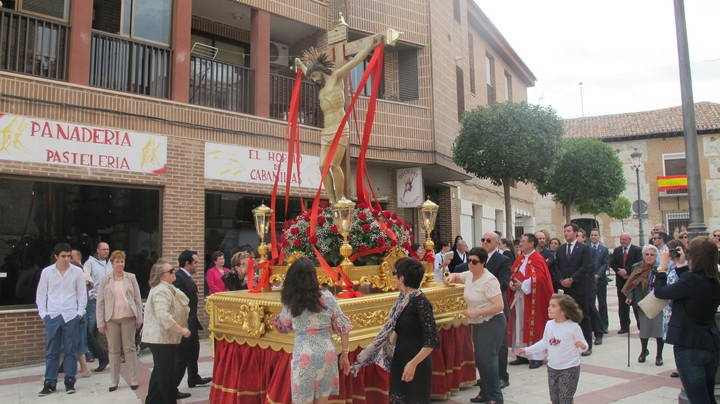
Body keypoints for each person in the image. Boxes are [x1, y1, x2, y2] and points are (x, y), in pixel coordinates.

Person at [294, 34, 384, 205]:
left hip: (340, 128)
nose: (313, 80)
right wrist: (300, 64)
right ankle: (334, 201)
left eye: (314, 76)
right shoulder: (320, 88)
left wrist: (371, 46)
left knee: (334, 165)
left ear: (320, 71)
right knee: (322, 166)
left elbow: (355, 61)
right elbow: (308, 72)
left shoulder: (336, 78)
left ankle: (341, 198)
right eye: (312, 77)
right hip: (326, 131)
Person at [275, 257, 353, 404]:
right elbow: (344, 327)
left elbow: (283, 326)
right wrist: (345, 353)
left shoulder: (291, 301)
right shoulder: (328, 298)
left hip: (304, 355)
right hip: (327, 353)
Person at [654, 237, 720, 403]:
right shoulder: (713, 279)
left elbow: (661, 292)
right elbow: (689, 286)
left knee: (697, 398)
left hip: (689, 346)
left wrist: (662, 267)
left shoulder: (691, 281)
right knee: (708, 395)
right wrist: (681, 265)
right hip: (710, 343)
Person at [444, 248, 505, 404]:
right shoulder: (470, 275)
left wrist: (477, 312)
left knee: (488, 359)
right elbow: (457, 276)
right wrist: (450, 277)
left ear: (483, 263)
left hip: (492, 322)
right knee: (480, 359)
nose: (471, 264)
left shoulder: (489, 280)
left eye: (475, 262)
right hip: (477, 323)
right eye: (469, 261)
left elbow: (499, 306)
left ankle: (495, 397)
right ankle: (484, 393)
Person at [36, 243, 87, 396]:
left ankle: (69, 381)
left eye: (68, 256)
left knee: (70, 349)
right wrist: (43, 313)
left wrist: (80, 312)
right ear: (56, 256)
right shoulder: (47, 272)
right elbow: (41, 293)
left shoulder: (77, 272)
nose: (66, 259)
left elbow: (81, 293)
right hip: (52, 315)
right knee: (52, 350)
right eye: (63, 256)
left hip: (71, 315)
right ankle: (50, 382)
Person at [519, 294, 588, 404]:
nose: (549, 308)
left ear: (564, 310)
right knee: (555, 399)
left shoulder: (573, 327)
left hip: (570, 368)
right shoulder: (549, 325)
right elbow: (544, 342)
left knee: (565, 398)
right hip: (552, 368)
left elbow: (584, 344)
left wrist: (583, 346)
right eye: (549, 305)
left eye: (553, 306)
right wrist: (527, 350)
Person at [143, 259, 192, 404]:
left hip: (165, 339)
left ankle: (152, 401)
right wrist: (182, 330)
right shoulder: (160, 290)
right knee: (166, 377)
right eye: (171, 271)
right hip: (161, 340)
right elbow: (163, 316)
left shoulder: (168, 288)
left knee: (160, 374)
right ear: (161, 275)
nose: (174, 272)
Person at [96, 250, 143, 392]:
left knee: (130, 348)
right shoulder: (105, 280)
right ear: (112, 263)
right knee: (114, 350)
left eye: (122, 261)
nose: (120, 264)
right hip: (111, 319)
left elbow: (137, 298)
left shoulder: (131, 277)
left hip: (128, 317)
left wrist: (139, 317)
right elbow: (100, 302)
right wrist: (100, 322)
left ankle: (134, 379)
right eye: (117, 261)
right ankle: (114, 381)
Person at [507, 234, 554, 370]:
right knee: (519, 325)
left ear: (531, 244)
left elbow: (540, 279)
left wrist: (522, 284)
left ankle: (536, 357)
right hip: (519, 298)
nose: (520, 244)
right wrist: (512, 283)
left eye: (523, 241)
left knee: (534, 325)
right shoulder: (520, 258)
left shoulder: (537, 259)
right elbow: (513, 273)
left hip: (533, 299)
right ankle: (521, 354)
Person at [174, 250, 211, 398]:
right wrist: (185, 324)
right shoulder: (179, 278)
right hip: (185, 323)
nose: (198, 265)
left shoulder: (187, 277)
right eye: (195, 262)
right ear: (187, 263)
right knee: (182, 357)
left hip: (192, 321)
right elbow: (179, 304)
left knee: (194, 351)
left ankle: (193, 377)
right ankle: (173, 387)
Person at [622, 245, 664, 365]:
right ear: (643, 255)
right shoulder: (637, 267)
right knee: (643, 329)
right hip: (640, 302)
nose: (649, 257)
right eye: (647, 254)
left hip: (656, 302)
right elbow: (631, 284)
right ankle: (644, 351)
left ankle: (659, 355)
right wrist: (629, 297)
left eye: (652, 254)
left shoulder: (661, 268)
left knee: (658, 330)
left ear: (656, 256)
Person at [555, 223, 593, 356]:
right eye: (564, 231)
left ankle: (587, 345)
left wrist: (572, 279)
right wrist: (561, 280)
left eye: (569, 231)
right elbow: (557, 267)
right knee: (567, 317)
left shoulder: (584, 248)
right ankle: (569, 345)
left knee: (583, 316)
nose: (566, 233)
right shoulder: (561, 249)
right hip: (565, 289)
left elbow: (586, 267)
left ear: (576, 233)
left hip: (579, 287)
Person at [83, 241, 111, 372]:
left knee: (97, 329)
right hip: (94, 300)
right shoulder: (90, 263)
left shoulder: (110, 264)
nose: (106, 251)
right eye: (103, 249)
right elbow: (86, 281)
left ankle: (99, 354)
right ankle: (94, 354)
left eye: (107, 249)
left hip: (108, 301)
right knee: (89, 328)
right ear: (97, 250)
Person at [661, 240, 686, 379]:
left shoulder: (685, 266)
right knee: (675, 340)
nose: (673, 253)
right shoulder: (670, 266)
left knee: (680, 339)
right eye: (670, 250)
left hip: (678, 307)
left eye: (675, 250)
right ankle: (679, 366)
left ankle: (682, 367)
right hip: (668, 309)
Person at [610, 232, 643, 334]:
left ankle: (640, 326)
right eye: (621, 239)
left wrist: (627, 271)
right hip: (621, 282)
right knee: (622, 305)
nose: (622, 241)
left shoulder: (637, 250)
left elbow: (639, 264)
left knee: (636, 305)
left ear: (629, 239)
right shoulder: (616, 250)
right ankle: (624, 326)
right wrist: (619, 271)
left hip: (633, 282)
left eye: (624, 239)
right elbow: (612, 263)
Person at [588, 229, 609, 344]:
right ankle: (593, 326)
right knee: (591, 304)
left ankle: (604, 325)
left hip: (601, 280)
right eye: (592, 235)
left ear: (599, 236)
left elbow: (605, 264)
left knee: (602, 304)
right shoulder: (587, 248)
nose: (594, 237)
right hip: (590, 280)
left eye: (596, 235)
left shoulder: (604, 249)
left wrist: (598, 275)